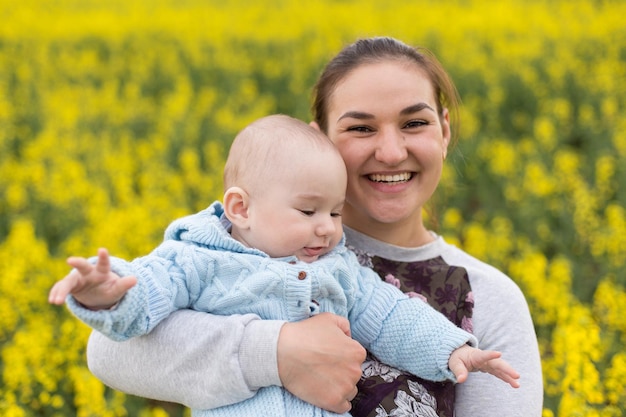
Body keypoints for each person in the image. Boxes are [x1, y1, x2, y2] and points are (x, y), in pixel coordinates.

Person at [85, 37, 544, 417]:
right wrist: (279, 353)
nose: (389, 151)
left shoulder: (487, 299)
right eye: (361, 129)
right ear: (317, 140)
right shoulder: (245, 246)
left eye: (414, 122)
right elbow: (110, 351)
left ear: (444, 131)